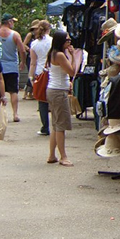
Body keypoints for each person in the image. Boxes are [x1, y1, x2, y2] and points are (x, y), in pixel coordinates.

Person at [46, 30, 75, 166]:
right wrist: (73, 56)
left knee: (56, 124)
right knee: (61, 125)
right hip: (58, 91)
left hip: (53, 89)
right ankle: (63, 156)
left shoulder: (52, 53)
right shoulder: (60, 55)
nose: (69, 42)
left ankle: (52, 154)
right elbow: (72, 71)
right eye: (67, 40)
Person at [0, 13, 26, 122]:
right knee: (13, 91)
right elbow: (22, 50)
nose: (13, 23)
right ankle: (15, 114)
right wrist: (23, 62)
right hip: (12, 66)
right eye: (12, 21)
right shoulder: (15, 35)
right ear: (9, 22)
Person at [28, 20, 52, 136]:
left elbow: (33, 62)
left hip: (39, 73)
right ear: (49, 29)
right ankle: (57, 126)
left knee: (42, 101)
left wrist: (31, 76)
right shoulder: (53, 42)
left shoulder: (34, 44)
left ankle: (45, 127)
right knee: (54, 100)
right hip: (52, 72)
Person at [22, 19, 40, 100]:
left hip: (38, 57)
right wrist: (29, 49)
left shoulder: (39, 36)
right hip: (31, 56)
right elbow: (23, 44)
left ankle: (31, 92)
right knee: (31, 74)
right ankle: (27, 92)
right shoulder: (30, 35)